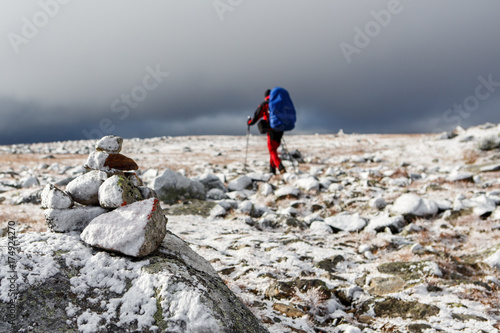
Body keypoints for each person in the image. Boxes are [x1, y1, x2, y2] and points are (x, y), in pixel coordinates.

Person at [247, 89, 286, 175]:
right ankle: (272, 170)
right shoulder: (278, 104)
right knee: (273, 150)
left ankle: (281, 168)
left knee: (272, 150)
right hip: (280, 130)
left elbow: (256, 117)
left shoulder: (265, 104)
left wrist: (249, 122)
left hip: (271, 130)